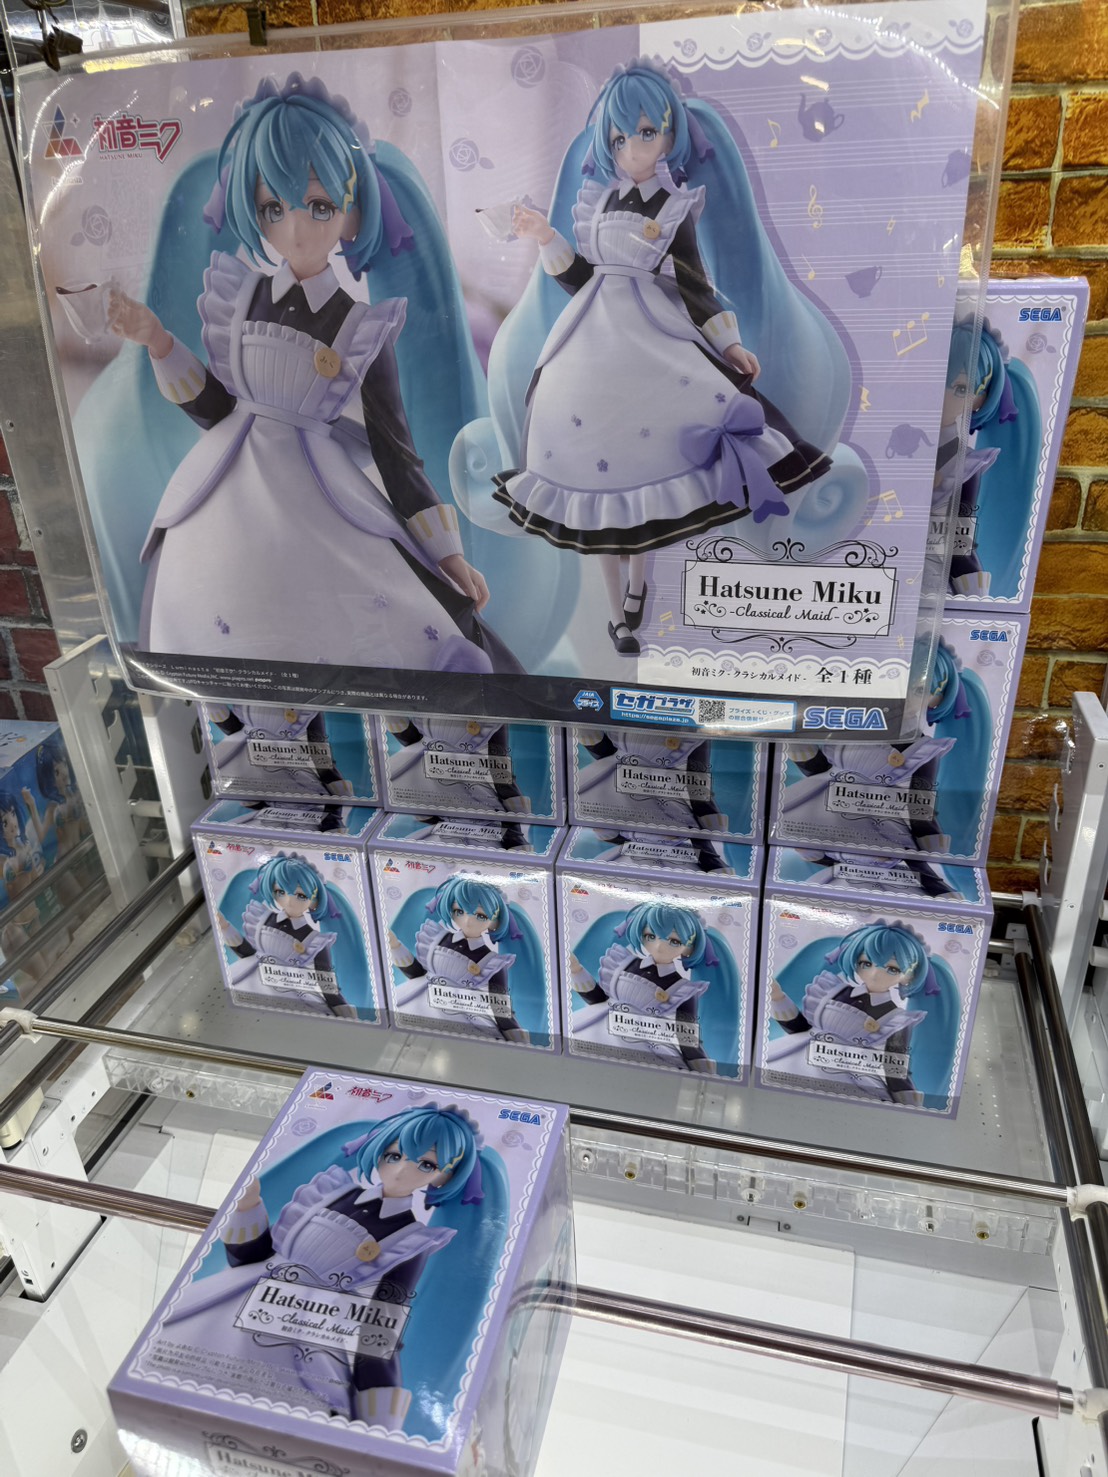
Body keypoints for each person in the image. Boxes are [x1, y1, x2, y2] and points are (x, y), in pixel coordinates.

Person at [453, 58, 864, 659]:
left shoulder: (674, 207)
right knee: (591, 486)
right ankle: (617, 612)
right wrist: (544, 236)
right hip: (588, 344)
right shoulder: (597, 203)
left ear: (669, 135)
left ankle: (638, 587)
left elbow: (696, 285)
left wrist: (728, 343)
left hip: (652, 341)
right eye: (620, 137)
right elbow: (578, 277)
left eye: (646, 133)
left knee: (642, 473)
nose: (633, 148)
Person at [107, 72, 514, 675]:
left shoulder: (361, 329)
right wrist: (159, 342)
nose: (296, 229)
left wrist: (447, 554)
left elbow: (396, 454)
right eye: (274, 207)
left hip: (322, 509)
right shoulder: (238, 300)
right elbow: (216, 410)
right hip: (224, 504)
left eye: (320, 207)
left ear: (352, 213)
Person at [160, 1103, 506, 1433]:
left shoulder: (411, 1240)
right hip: (231, 1311)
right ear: (378, 1149)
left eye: (426, 1165)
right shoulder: (327, 1192)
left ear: (445, 1177)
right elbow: (250, 1259)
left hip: (306, 1343)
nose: (402, 1169)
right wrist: (249, 1204)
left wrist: (378, 1424)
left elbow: (379, 1329)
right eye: (394, 1155)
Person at [780, 640, 990, 858]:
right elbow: (822, 773)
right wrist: (806, 755)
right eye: (895, 684)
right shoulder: (851, 724)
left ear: (936, 698)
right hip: (824, 809)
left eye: (919, 690)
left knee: (879, 857)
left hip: (876, 819)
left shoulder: (922, 750)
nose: (904, 697)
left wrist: (928, 835)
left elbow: (919, 799)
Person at [766, 921, 958, 1107]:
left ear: (907, 976)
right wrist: (777, 997)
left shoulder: (896, 1019)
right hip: (795, 1062)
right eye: (867, 963)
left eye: (892, 969)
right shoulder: (831, 991)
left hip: (847, 1080)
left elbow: (894, 1068)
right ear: (856, 960)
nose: (875, 974)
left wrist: (908, 1106)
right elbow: (799, 1030)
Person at [936, 317, 1040, 600]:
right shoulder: (900, 442)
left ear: (980, 398)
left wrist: (977, 603)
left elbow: (960, 548)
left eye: (960, 389)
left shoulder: (965, 467)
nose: (943, 398)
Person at [569, 899, 738, 1071]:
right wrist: (577, 971)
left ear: (688, 948)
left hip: (642, 1046)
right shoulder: (622, 963)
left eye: (674, 941)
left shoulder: (681, 989)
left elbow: (686, 1036)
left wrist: (702, 1071)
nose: (658, 946)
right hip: (596, 1032)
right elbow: (598, 1000)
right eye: (651, 936)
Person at [387, 876, 542, 1044]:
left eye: (480, 916)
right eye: (459, 912)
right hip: (416, 1005)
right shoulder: (437, 938)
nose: (468, 921)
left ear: (494, 922)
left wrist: (516, 1038)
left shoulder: (491, 961)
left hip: (459, 1017)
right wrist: (395, 946)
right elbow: (417, 975)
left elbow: (499, 1006)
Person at [217, 851, 368, 1019]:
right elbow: (249, 955)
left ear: (314, 901)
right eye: (281, 892)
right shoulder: (263, 918)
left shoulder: (315, 941)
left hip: (288, 995)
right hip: (250, 986)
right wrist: (225, 927)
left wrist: (345, 1014)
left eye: (301, 896)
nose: (289, 901)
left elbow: (326, 984)